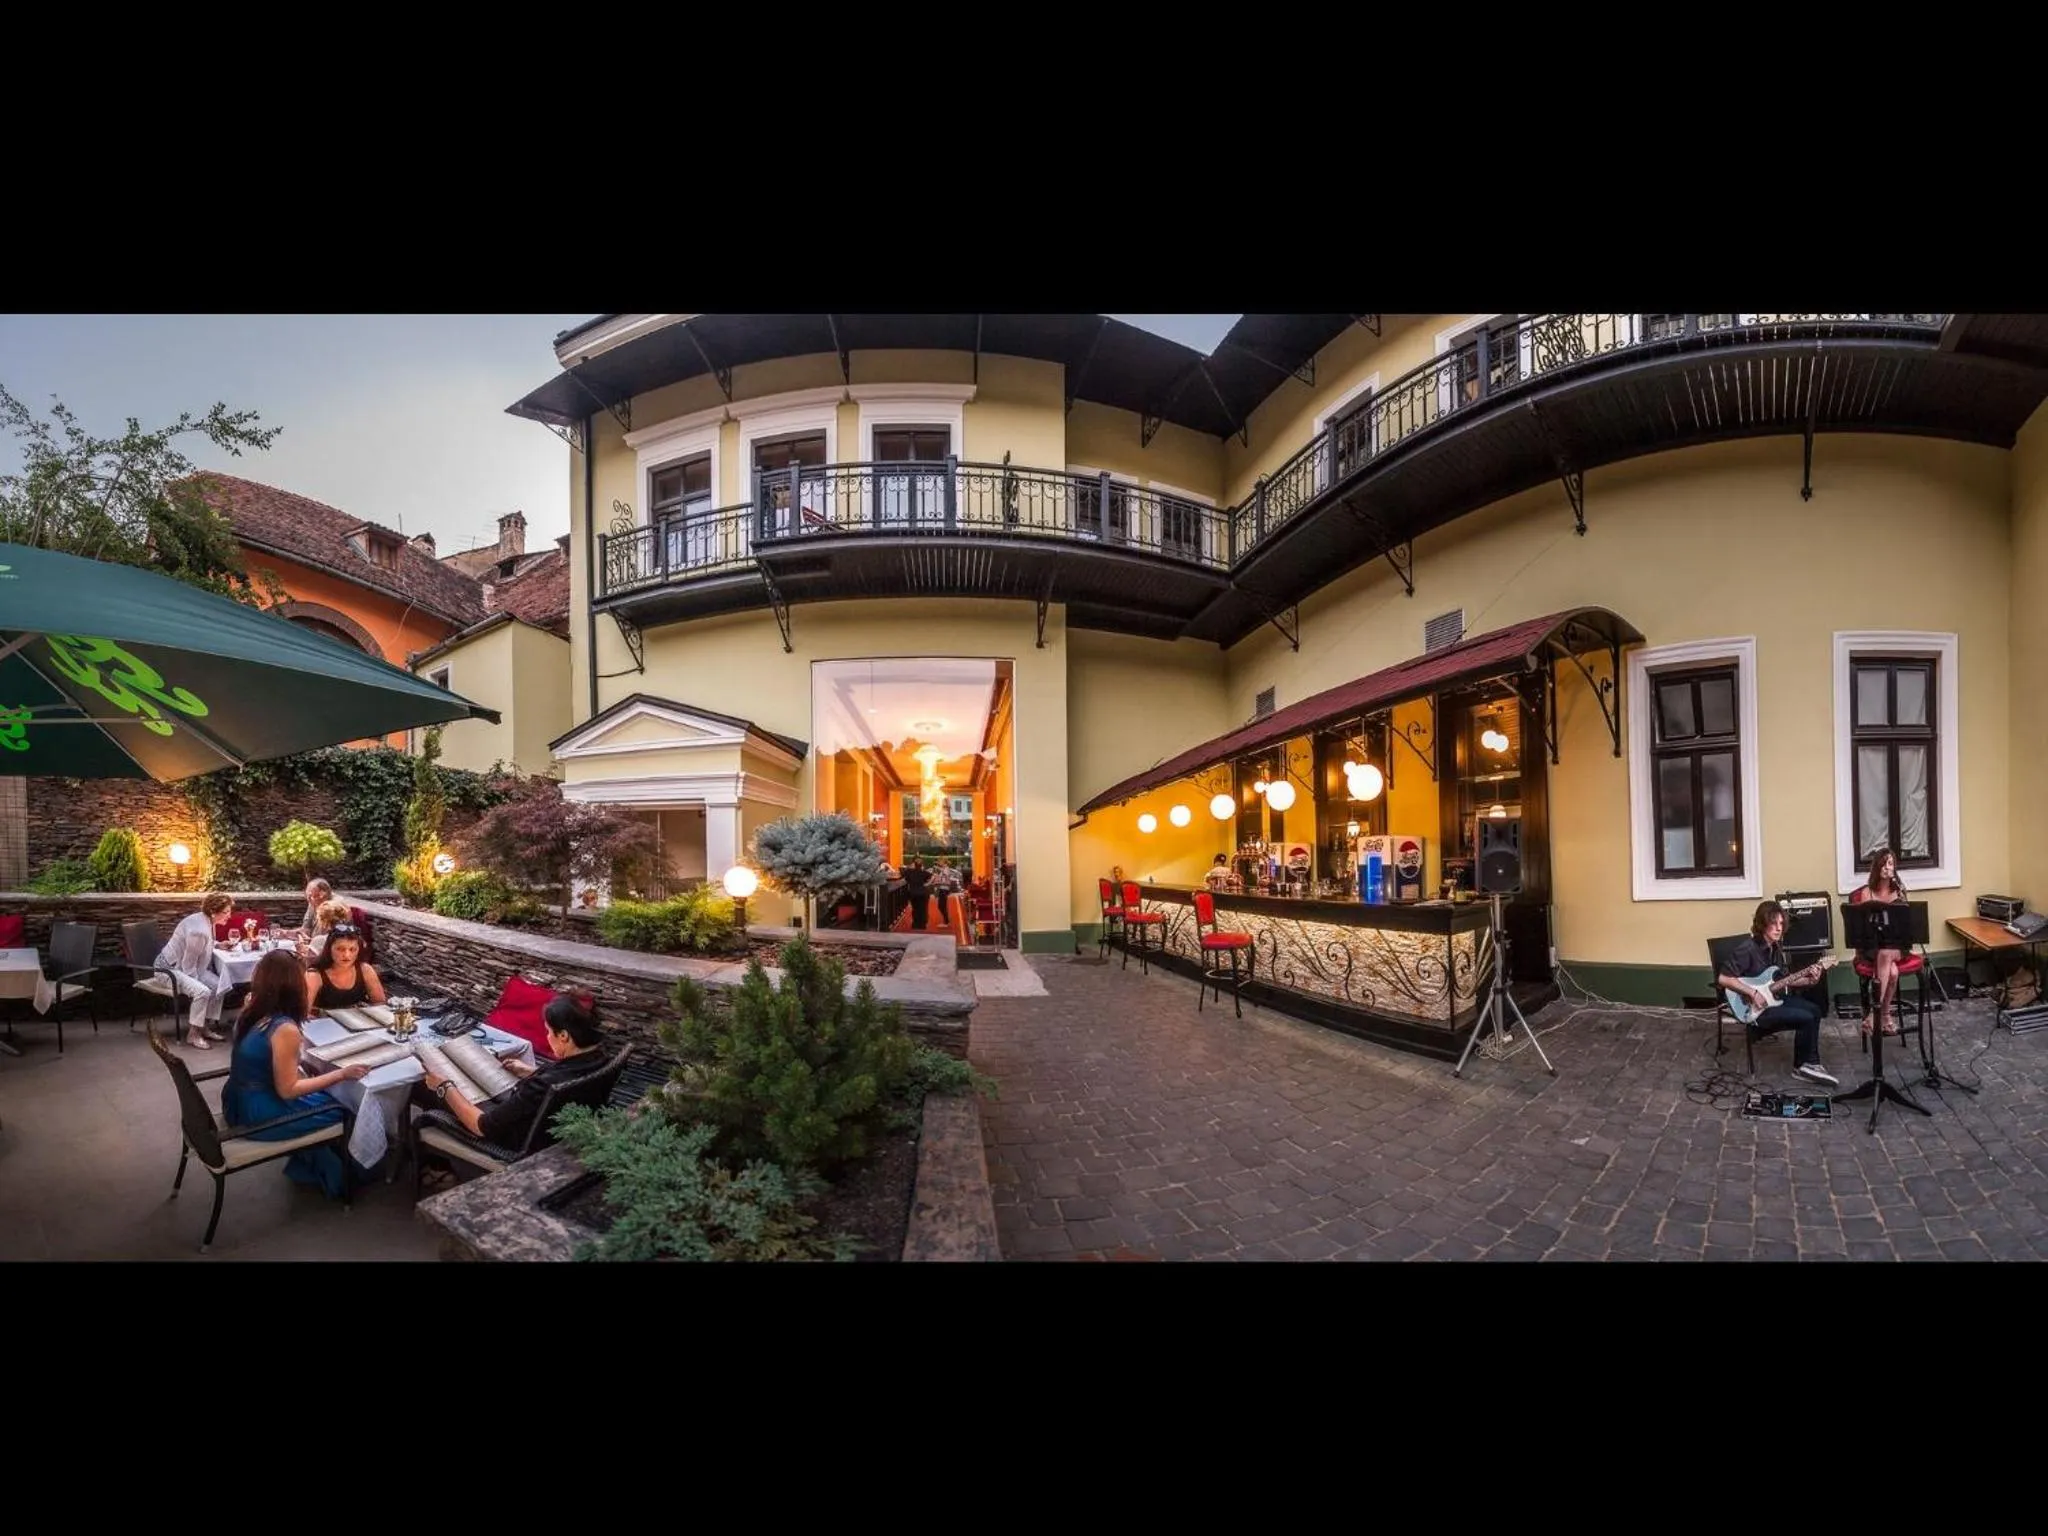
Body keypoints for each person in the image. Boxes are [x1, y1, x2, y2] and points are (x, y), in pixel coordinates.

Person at [222, 948, 368, 1200]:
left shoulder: (251, 1008)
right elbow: (288, 1090)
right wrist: (342, 1074)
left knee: (322, 1093)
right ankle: (336, 1175)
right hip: (259, 1113)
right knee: (344, 1108)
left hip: (235, 1100)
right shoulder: (285, 1029)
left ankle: (309, 1161)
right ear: (292, 985)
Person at [418, 992, 613, 1154]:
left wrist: (444, 1087)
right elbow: (566, 1078)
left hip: (516, 1140)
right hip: (542, 1121)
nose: (547, 1037)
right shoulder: (601, 1059)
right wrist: (531, 1071)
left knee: (428, 1089)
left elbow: (481, 1126)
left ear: (564, 1036)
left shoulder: (543, 1087)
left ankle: (439, 1168)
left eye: (548, 1032)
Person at [1716, 899, 1838, 1088]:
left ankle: (1810, 1062)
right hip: (1753, 1008)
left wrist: (1809, 979)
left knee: (1815, 1009)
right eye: (1773, 923)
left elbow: (1783, 979)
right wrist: (1753, 993)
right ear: (1762, 924)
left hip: (1773, 999)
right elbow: (1724, 979)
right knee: (1806, 1017)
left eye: (1781, 924)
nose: (1779, 928)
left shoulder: (1776, 948)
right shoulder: (1748, 949)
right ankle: (1800, 1067)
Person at [157, 891, 236, 1050]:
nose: (229, 915)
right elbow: (188, 967)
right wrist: (200, 987)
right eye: (226, 912)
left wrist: (218, 944)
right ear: (213, 912)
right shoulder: (198, 930)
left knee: (218, 986)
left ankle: (204, 1026)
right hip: (168, 970)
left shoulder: (205, 919)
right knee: (203, 992)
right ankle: (193, 1034)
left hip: (187, 967)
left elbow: (202, 947)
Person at [1852, 845, 1910, 1039]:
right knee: (1892, 972)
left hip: (1895, 945)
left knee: (1887, 954)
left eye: (1891, 863)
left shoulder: (1899, 891)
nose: (1888, 867)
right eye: (1884, 863)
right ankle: (1885, 1015)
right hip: (1873, 945)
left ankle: (1872, 1016)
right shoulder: (1867, 893)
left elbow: (1906, 923)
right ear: (1877, 867)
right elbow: (1861, 926)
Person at [303, 923, 386, 1016]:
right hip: (323, 1023)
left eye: (352, 949)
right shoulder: (314, 975)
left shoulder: (365, 970)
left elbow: (379, 1003)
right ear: (329, 949)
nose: (347, 955)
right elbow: (303, 1011)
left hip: (357, 1022)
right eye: (340, 949)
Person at [296, 898, 354, 965]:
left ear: (324, 922)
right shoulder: (356, 939)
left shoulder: (320, 941)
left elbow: (310, 966)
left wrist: (302, 950)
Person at [900, 857, 932, 931]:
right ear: (922, 865)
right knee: (923, 909)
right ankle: (923, 925)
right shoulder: (925, 872)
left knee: (915, 908)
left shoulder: (909, 872)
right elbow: (932, 877)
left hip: (913, 893)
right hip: (923, 893)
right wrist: (927, 884)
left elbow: (903, 877)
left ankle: (915, 924)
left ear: (914, 864)